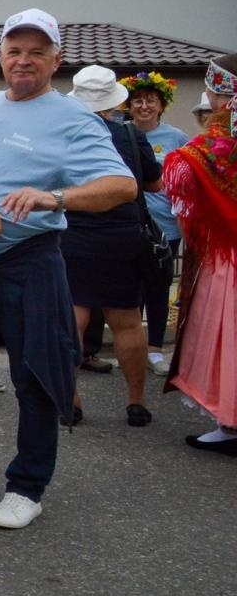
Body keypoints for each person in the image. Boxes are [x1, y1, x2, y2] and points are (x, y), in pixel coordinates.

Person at [0, 10, 136, 529]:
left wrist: (54, 196)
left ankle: (27, 485)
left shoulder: (73, 118)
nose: (24, 60)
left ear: (56, 60)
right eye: (15, 50)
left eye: (37, 52)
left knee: (35, 375)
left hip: (28, 259)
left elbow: (122, 186)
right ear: (1, 56)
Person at [62, 66, 161, 427]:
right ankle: (136, 400)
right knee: (128, 321)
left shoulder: (65, 135)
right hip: (122, 234)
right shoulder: (131, 135)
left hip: (74, 231)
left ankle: (70, 401)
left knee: (72, 319)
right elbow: (152, 184)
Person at [162, 53, 237, 457]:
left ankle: (231, 421)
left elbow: (180, 174)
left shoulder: (219, 136)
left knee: (228, 334)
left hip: (229, 253)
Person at [120, 71, 189, 373]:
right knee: (129, 289)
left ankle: (155, 349)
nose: (144, 106)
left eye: (151, 100)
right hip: (129, 224)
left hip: (166, 227)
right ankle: (132, 346)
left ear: (161, 105)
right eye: (137, 100)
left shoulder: (177, 139)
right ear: (128, 105)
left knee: (158, 288)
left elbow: (187, 184)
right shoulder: (120, 134)